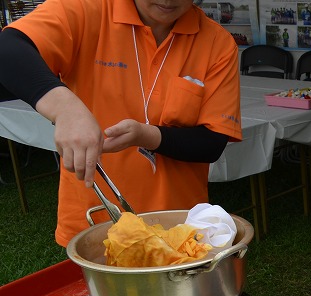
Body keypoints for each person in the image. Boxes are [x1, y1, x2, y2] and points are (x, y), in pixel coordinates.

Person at [0, 0, 242, 248]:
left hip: (180, 226)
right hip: (95, 217)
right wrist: (65, 108)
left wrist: (146, 135)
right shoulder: (86, 9)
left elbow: (211, 143)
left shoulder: (216, 42)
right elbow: (8, 49)